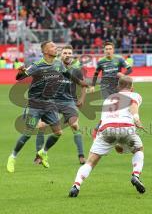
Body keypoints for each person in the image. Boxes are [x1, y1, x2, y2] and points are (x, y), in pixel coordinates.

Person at [7, 41, 87, 172]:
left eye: (56, 46)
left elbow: (68, 75)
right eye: (52, 47)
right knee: (28, 133)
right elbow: (19, 77)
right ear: (45, 51)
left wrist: (81, 83)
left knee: (58, 132)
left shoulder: (58, 64)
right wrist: (20, 72)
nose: (56, 48)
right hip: (34, 105)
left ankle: (43, 152)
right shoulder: (37, 65)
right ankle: (12, 157)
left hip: (49, 105)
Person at [69, 76, 145, 197]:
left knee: (90, 162)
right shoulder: (135, 95)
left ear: (118, 87)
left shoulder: (108, 99)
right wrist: (136, 118)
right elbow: (133, 104)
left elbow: (102, 121)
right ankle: (135, 175)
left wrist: (97, 136)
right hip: (126, 128)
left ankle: (76, 185)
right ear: (132, 88)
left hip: (106, 129)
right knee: (138, 150)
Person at [34, 45, 86, 165]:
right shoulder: (53, 67)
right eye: (65, 53)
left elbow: (84, 85)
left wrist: (82, 99)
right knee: (41, 125)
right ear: (60, 55)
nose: (67, 55)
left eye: (69, 53)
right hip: (52, 100)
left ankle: (81, 156)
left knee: (75, 126)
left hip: (68, 102)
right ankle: (38, 155)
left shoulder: (76, 70)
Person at [90, 42, 133, 138]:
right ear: (104, 50)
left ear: (113, 50)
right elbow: (96, 74)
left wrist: (123, 75)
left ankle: (108, 128)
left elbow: (130, 69)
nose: (108, 51)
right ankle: (99, 129)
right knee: (109, 108)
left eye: (110, 49)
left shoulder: (120, 59)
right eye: (106, 49)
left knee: (118, 109)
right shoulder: (101, 61)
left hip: (118, 87)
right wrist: (92, 85)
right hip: (105, 87)